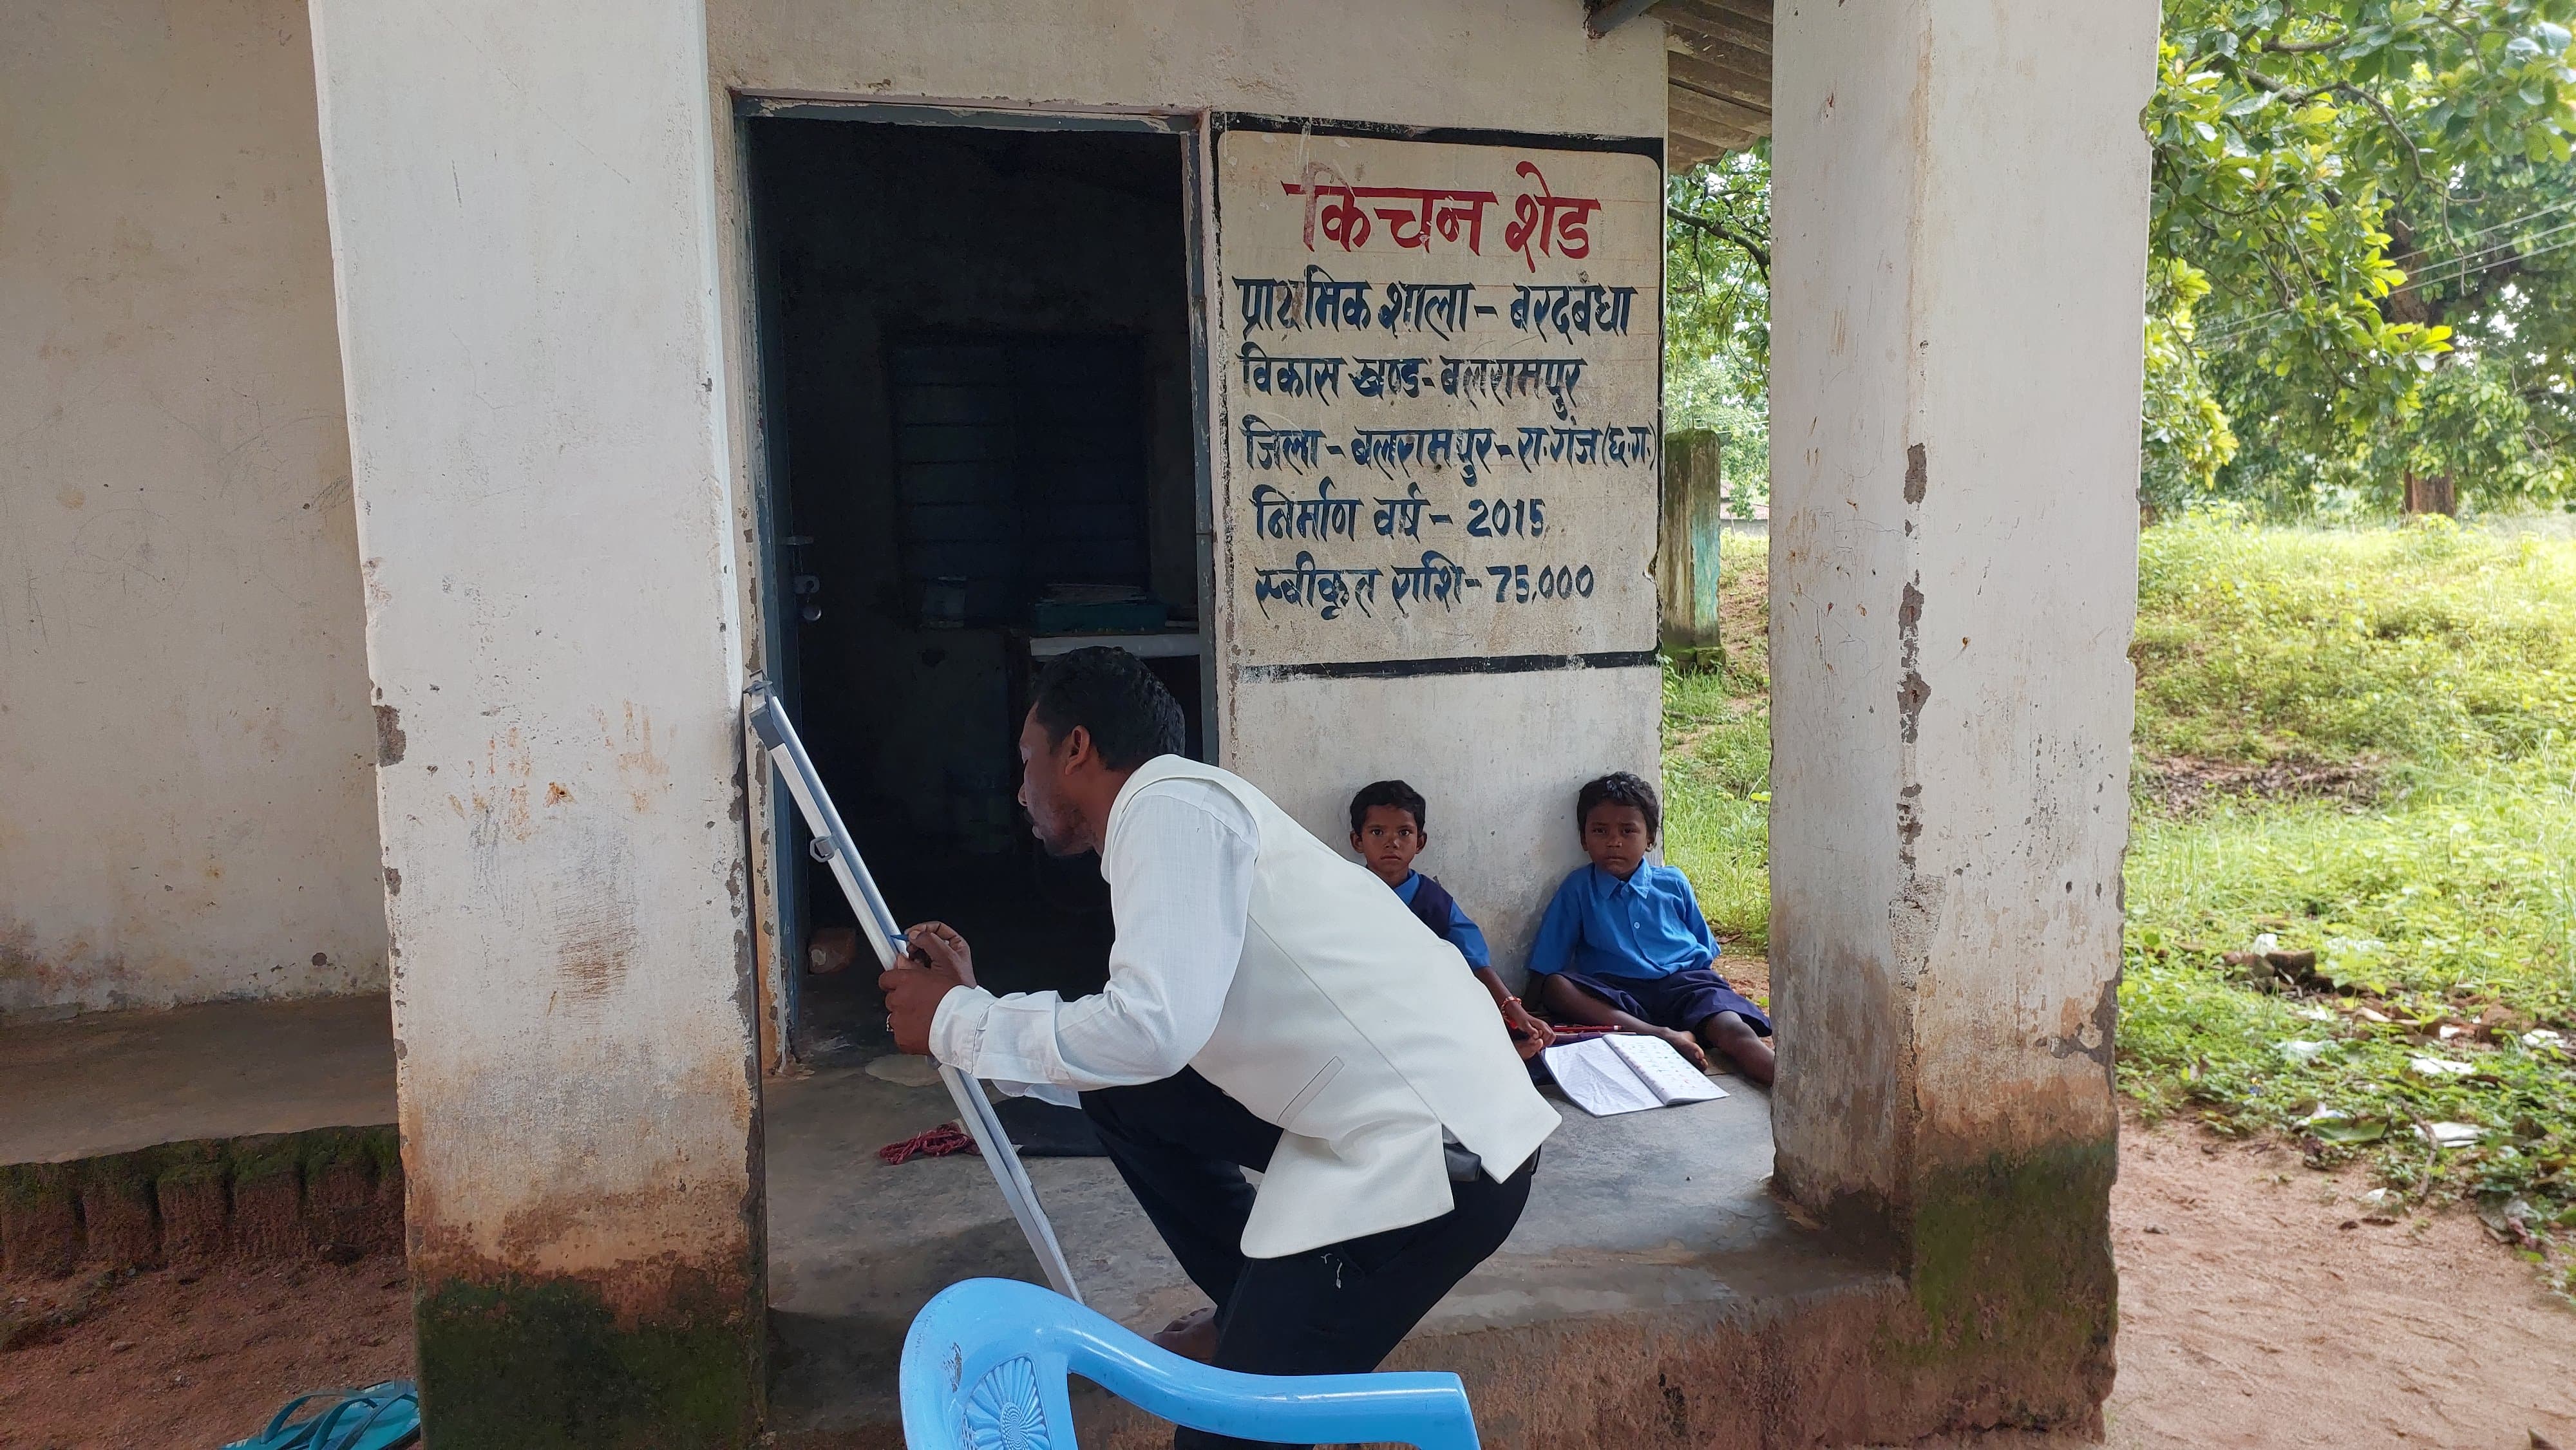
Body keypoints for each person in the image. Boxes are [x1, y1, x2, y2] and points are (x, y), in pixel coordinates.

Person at [878, 648, 1558, 1450]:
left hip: (1436, 1157)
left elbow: (1148, 1028)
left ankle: (1257, 1333)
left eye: (1026, 761)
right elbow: (1140, 1049)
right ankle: (1249, 1301)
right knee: (1123, 1092)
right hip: (1383, 1116)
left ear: (1076, 749)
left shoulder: (1167, 809)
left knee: (1222, 1431)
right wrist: (976, 1010)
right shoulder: (1177, 816)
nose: (1019, 788)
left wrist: (958, 1020)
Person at [1526, 771, 1776, 1086]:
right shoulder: (1578, 888)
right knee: (1557, 987)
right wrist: (1524, 1014)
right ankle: (1660, 1035)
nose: (1614, 841)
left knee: (1735, 1030)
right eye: (1600, 831)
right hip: (1621, 994)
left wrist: (1711, 996)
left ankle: (1795, 1091)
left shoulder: (1673, 882)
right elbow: (1547, 962)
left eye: (1628, 830)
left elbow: (1703, 949)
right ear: (1583, 839)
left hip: (1687, 987)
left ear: (1650, 838)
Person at [1347, 780, 1553, 1060]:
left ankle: (1495, 1055)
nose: (1391, 842)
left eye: (1404, 832)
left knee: (1467, 1011)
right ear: (1357, 841)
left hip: (1425, 1003)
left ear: (1420, 842)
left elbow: (1476, 962)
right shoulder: (1345, 892)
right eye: (1377, 832)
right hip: (1366, 1003)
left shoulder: (1434, 902)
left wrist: (1513, 1008)